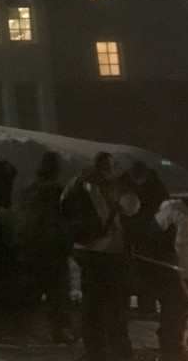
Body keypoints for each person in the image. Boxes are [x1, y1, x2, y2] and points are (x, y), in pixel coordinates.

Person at [61, 151, 139, 361]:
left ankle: (94, 352)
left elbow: (64, 208)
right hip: (109, 252)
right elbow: (131, 208)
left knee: (92, 305)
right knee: (115, 307)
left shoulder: (75, 182)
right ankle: (120, 353)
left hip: (85, 250)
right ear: (108, 167)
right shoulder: (108, 186)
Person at [14, 151, 74, 343]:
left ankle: (21, 328)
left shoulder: (27, 189)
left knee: (30, 290)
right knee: (57, 293)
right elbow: (65, 219)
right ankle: (58, 330)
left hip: (28, 245)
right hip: (52, 248)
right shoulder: (56, 191)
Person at [142, 193, 188, 361]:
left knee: (175, 303)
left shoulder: (174, 208)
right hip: (160, 263)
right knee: (180, 303)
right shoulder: (186, 217)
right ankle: (174, 348)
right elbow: (184, 246)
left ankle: (176, 341)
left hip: (151, 261)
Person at [119, 159, 169, 316]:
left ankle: (146, 305)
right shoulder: (123, 183)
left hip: (147, 234)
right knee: (125, 269)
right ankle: (123, 303)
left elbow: (163, 209)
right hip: (126, 231)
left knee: (146, 271)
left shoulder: (156, 187)